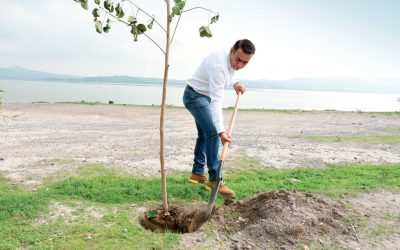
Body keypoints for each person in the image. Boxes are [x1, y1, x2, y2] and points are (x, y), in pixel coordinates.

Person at [183, 39, 255, 199]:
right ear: (232, 50)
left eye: (245, 62)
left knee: (203, 135)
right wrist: (221, 132)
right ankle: (215, 179)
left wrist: (235, 82)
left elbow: (232, 71)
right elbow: (217, 102)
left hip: (202, 95)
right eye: (238, 59)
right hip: (195, 97)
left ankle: (197, 174)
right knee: (212, 132)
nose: (240, 65)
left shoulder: (228, 59)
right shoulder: (219, 67)